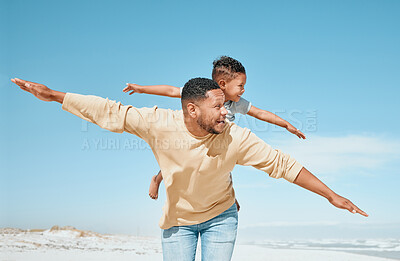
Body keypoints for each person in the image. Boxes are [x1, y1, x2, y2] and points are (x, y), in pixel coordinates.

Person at [11, 77, 368, 261]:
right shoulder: (158, 123)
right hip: (177, 222)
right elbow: (111, 112)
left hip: (220, 217)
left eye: (227, 105)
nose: (226, 112)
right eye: (218, 106)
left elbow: (282, 165)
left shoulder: (235, 137)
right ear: (193, 110)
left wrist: (332, 195)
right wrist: (56, 96)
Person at [123, 56, 306, 201]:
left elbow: (260, 113)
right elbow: (171, 91)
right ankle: (157, 179)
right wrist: (141, 89)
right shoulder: (203, 93)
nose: (243, 90)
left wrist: (287, 125)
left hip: (218, 141)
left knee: (224, 165)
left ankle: (227, 200)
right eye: (240, 86)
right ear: (223, 84)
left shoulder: (237, 103)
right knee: (179, 159)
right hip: (195, 137)